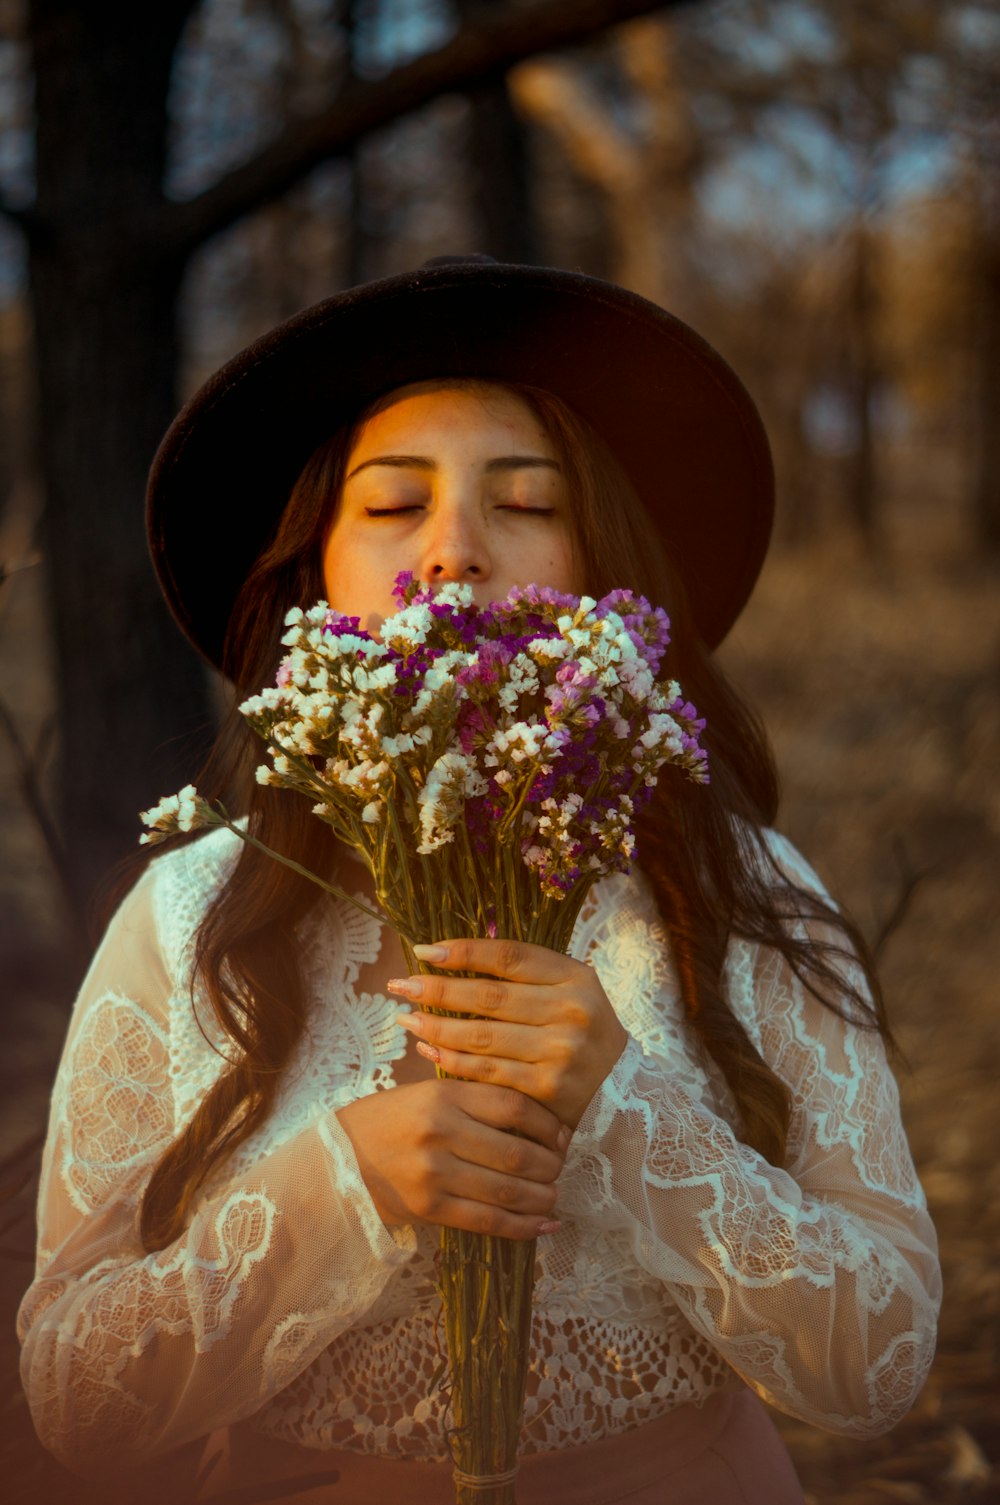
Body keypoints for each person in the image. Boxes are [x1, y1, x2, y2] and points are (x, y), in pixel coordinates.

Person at [18, 256, 941, 1505]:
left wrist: (621, 1105)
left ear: (605, 564)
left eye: (527, 502)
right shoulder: (196, 914)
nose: (453, 552)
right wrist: (350, 1177)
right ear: (313, 576)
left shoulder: (739, 888)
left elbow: (879, 1360)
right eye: (392, 506)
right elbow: (76, 1400)